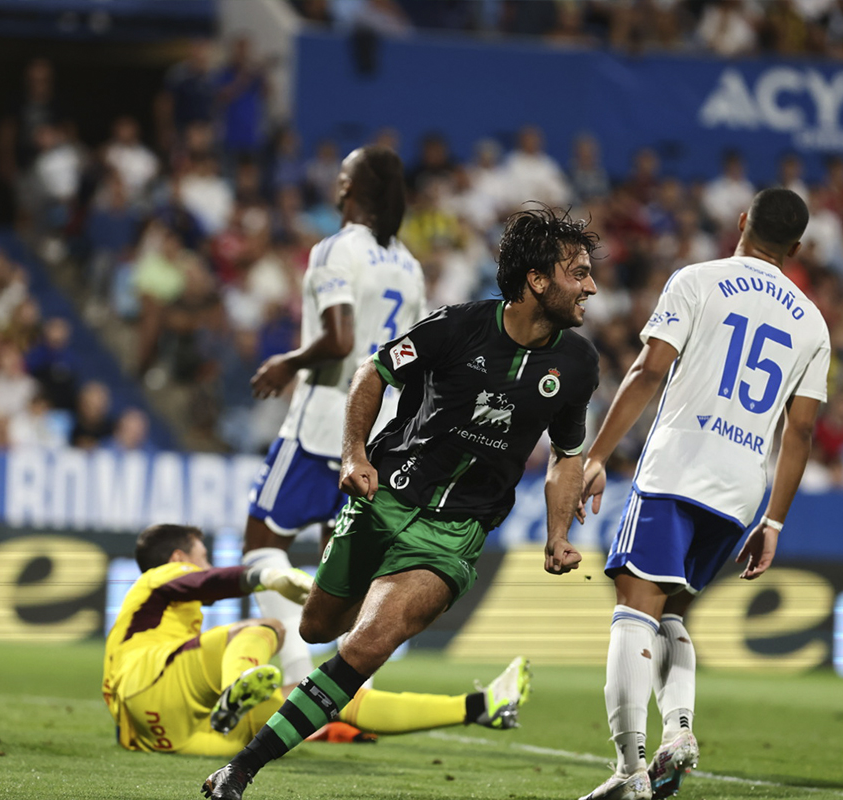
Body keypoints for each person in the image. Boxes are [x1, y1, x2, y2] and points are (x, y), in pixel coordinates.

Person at [204, 204, 601, 799]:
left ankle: (241, 769)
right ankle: (355, 590)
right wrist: (353, 455)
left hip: (455, 532)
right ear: (537, 281)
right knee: (317, 629)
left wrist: (558, 533)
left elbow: (569, 453)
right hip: (386, 496)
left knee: (365, 645)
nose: (591, 286)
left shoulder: (577, 364)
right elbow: (373, 371)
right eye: (579, 273)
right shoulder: (457, 326)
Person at [575, 188, 830, 800]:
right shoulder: (813, 322)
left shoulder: (698, 281)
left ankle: (629, 771)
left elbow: (650, 369)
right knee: (673, 613)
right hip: (741, 492)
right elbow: (801, 429)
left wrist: (598, 454)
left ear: (742, 222)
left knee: (635, 609)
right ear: (795, 249)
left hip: (677, 470)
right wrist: (772, 523)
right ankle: (680, 732)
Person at [240, 144, 425, 690]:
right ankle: (352, 692)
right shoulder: (410, 266)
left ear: (348, 188)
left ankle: (295, 672)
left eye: (343, 174)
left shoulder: (334, 251)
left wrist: (288, 361)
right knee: (338, 558)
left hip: (322, 420)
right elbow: (411, 358)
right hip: (376, 429)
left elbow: (340, 338)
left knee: (261, 542)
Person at [104, 524, 532, 757]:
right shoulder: (157, 580)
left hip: (168, 735)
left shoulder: (151, 629)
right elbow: (208, 581)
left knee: (327, 699)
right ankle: (240, 682)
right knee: (267, 627)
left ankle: (480, 708)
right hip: (160, 691)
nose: (207, 563)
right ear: (179, 560)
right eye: (201, 555)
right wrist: (262, 576)